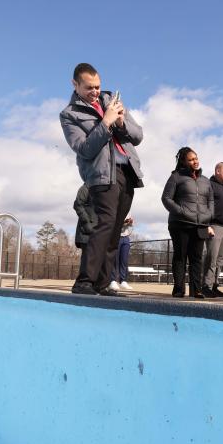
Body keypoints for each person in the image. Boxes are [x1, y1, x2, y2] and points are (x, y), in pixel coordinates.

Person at [60, 63, 144, 297]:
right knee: (105, 223)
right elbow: (84, 149)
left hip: (127, 170)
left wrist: (120, 122)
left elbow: (138, 136)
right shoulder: (69, 115)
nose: (96, 92)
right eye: (89, 88)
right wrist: (105, 123)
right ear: (75, 84)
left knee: (116, 229)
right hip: (102, 174)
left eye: (97, 86)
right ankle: (85, 281)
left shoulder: (111, 100)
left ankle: (104, 283)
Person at [161, 147, 215, 299]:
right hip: (180, 223)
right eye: (191, 159)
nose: (195, 161)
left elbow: (210, 200)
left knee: (197, 258)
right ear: (183, 161)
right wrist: (181, 211)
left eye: (196, 158)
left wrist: (209, 214)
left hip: (201, 225)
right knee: (180, 256)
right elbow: (166, 198)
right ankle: (179, 289)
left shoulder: (205, 181)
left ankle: (196, 290)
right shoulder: (176, 177)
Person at [203, 162, 223, 298]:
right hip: (214, 226)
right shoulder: (209, 185)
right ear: (217, 171)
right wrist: (207, 225)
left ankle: (214, 286)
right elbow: (204, 206)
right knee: (212, 258)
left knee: (220, 260)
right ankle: (206, 286)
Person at [73, 183, 97, 274]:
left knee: (97, 259)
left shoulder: (101, 189)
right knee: (87, 259)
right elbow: (77, 205)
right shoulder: (85, 187)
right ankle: (83, 283)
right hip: (86, 231)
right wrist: (87, 223)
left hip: (98, 230)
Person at [110, 216, 135, 292]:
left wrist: (130, 222)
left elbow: (131, 225)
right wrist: (122, 223)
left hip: (126, 238)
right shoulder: (114, 208)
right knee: (114, 260)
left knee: (124, 260)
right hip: (116, 237)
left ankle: (123, 281)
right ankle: (112, 281)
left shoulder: (128, 211)